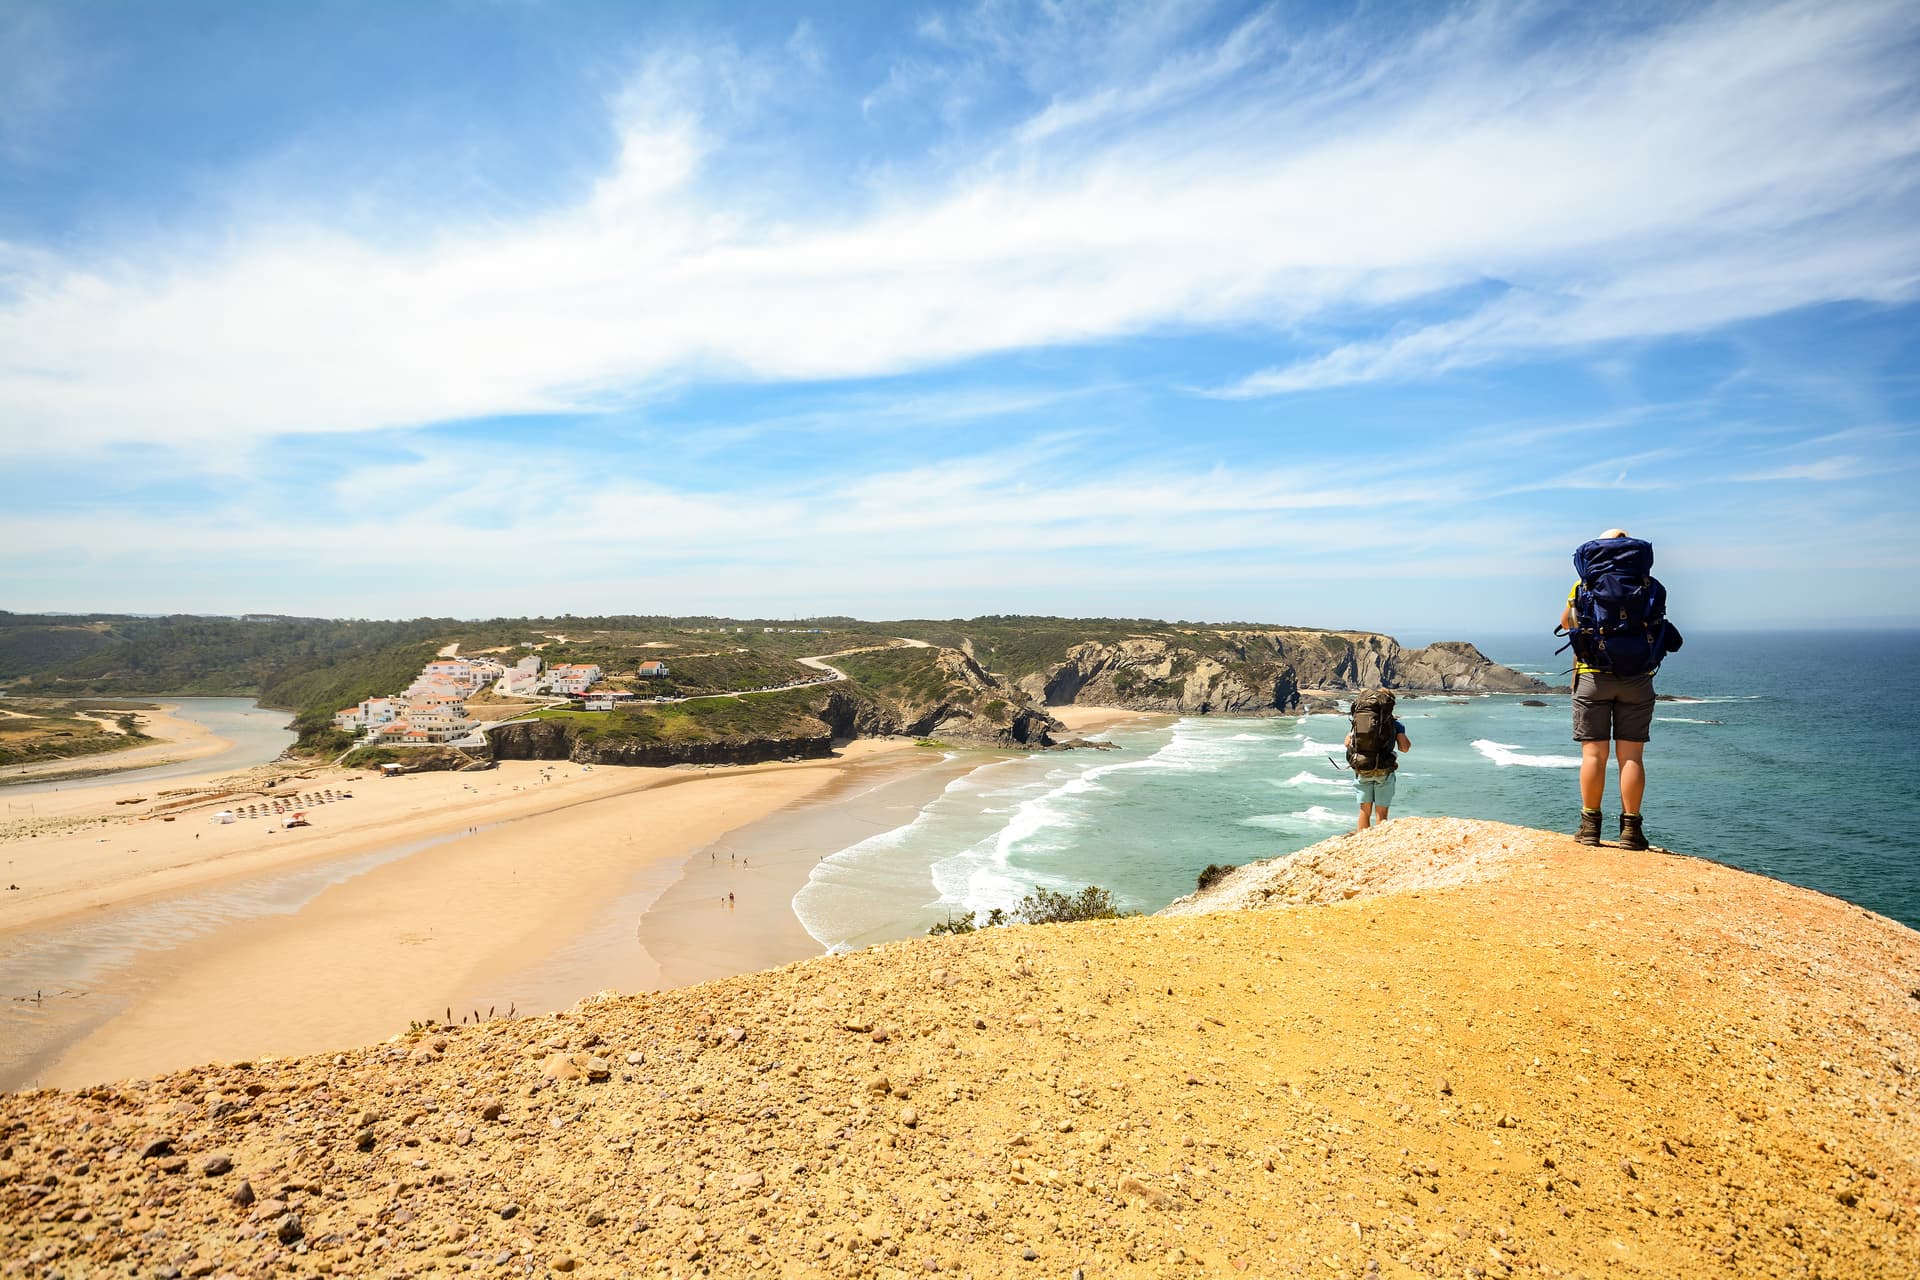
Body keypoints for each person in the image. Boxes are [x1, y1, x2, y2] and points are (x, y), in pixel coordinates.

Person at [1560, 527, 1670, 851]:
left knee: (1594, 754)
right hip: (1638, 679)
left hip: (1593, 675)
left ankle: (1590, 828)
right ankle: (1631, 831)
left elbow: (1567, 622)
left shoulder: (1584, 585)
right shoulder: (1651, 586)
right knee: (1631, 755)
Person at [1344, 708, 1411, 832]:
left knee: (1364, 810)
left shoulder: (1361, 722)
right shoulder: (1395, 724)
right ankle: (1378, 843)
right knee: (1381, 813)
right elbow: (1404, 748)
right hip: (1384, 770)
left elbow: (1347, 742)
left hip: (1363, 769)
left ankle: (1362, 842)